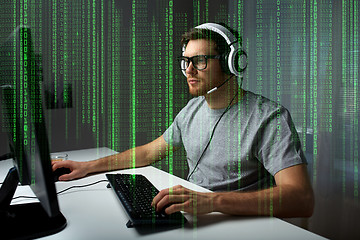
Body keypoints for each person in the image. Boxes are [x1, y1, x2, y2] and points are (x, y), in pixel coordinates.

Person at [52, 23, 314, 218]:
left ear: (231, 63)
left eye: (199, 61)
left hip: (238, 225)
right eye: (186, 61)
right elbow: (148, 152)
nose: (188, 70)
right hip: (194, 218)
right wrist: (88, 167)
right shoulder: (192, 109)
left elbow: (301, 198)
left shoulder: (269, 118)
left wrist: (213, 202)